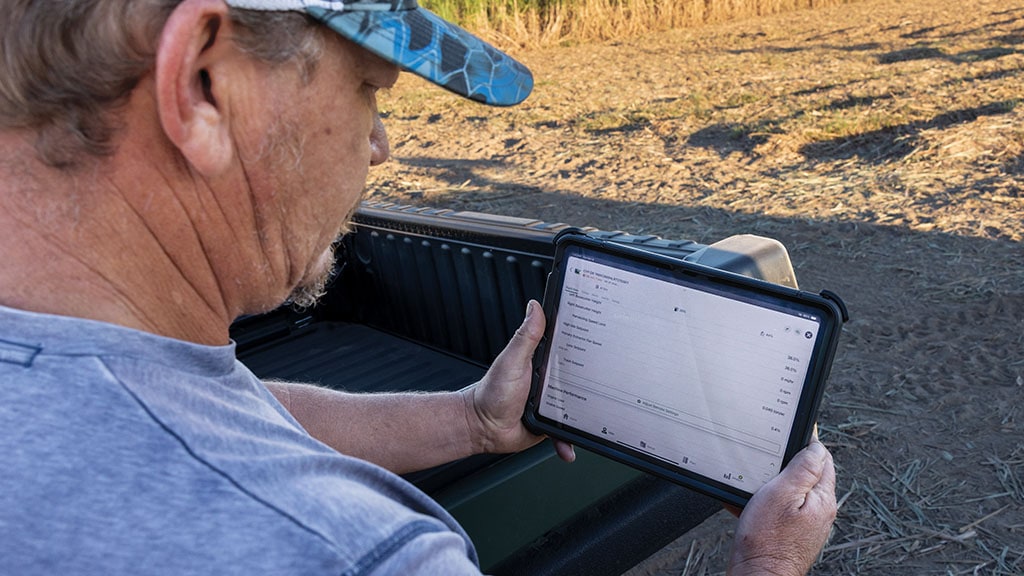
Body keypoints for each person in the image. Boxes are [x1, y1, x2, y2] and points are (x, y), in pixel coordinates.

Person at [0, 0, 836, 574]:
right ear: (204, 85)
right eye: (368, 88)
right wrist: (767, 560)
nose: (381, 145)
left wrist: (471, 421)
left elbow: (209, 410)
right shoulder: (344, 550)